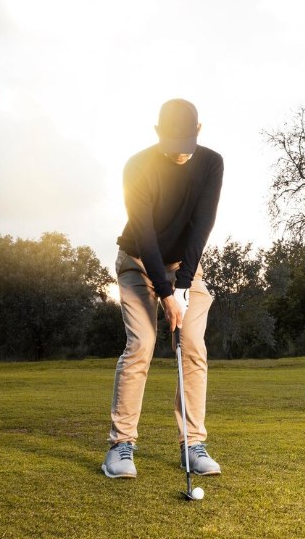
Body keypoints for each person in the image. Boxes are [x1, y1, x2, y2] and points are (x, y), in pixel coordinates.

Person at [102, 98, 224, 479]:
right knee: (142, 344)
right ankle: (121, 446)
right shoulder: (137, 166)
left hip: (185, 268)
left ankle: (192, 445)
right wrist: (167, 294)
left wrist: (184, 286)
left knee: (192, 346)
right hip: (138, 261)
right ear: (158, 135)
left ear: (199, 132)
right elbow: (146, 235)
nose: (182, 154)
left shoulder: (211, 163)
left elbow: (200, 228)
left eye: (188, 144)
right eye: (173, 144)